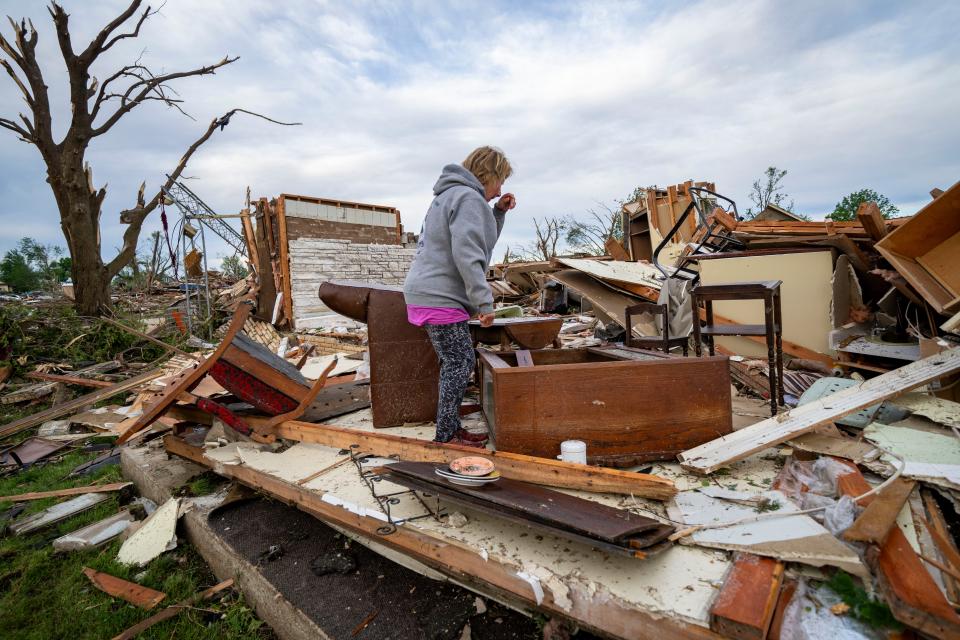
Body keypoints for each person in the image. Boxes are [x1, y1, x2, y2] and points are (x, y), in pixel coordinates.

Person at [403, 146, 517, 447]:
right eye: (500, 180)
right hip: (439, 295)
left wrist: (498, 212)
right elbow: (469, 254)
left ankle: (450, 427)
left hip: (426, 291)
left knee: (455, 361)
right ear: (488, 175)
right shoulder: (468, 198)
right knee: (460, 361)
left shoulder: (447, 196)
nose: (500, 188)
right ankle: (447, 435)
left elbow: (479, 236)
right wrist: (484, 302)